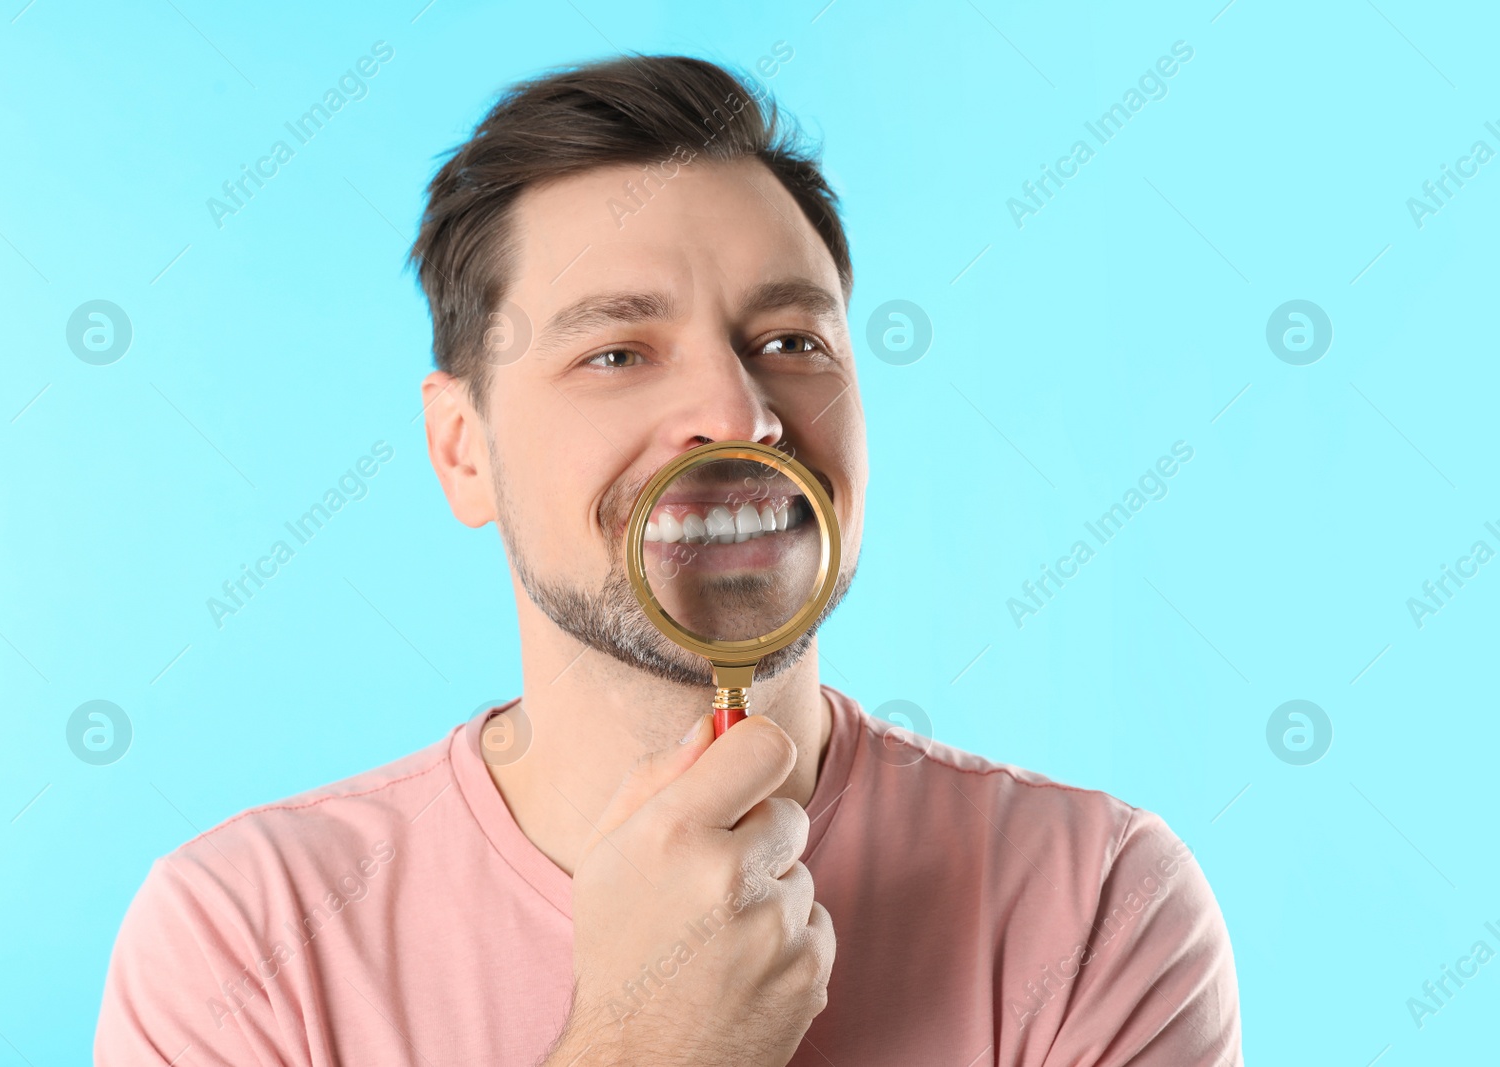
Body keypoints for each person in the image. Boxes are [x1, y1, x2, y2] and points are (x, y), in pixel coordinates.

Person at [95, 54, 1242, 1065]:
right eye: (617, 352)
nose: (736, 415)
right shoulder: (239, 939)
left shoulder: (1099, 896)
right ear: (463, 450)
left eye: (791, 341)